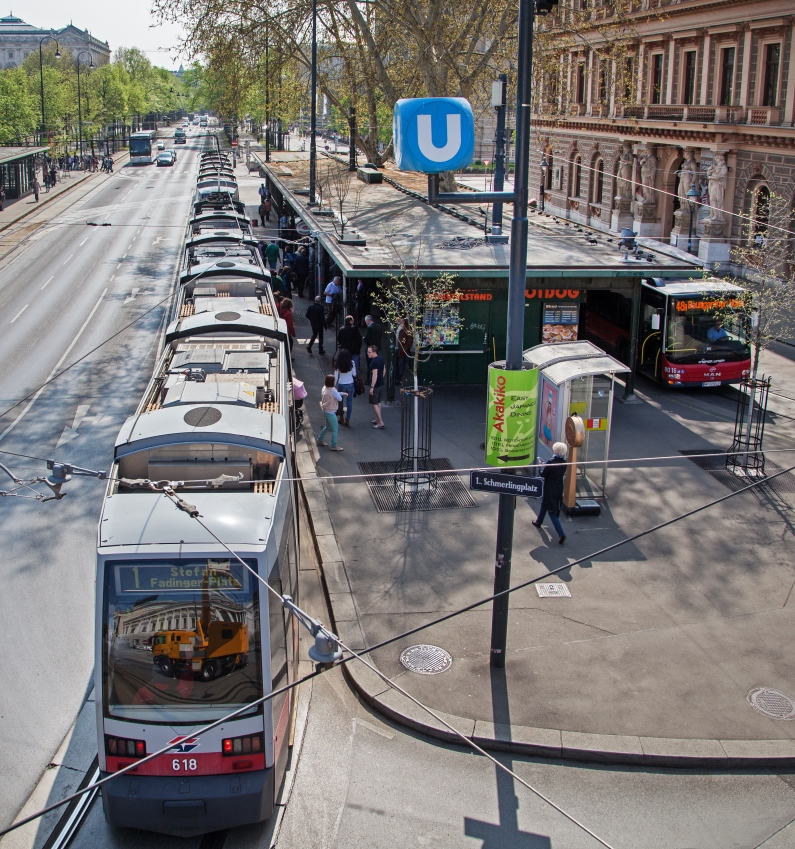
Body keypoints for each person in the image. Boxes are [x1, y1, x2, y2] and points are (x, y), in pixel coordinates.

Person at [532, 443, 568, 544]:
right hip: (559, 487)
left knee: (552, 512)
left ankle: (561, 534)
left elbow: (543, 474)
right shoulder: (564, 462)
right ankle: (539, 521)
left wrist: (541, 465)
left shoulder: (551, 462)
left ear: (556, 451)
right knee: (544, 504)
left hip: (549, 488)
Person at [317, 375, 346, 451]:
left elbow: (335, 394)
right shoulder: (333, 390)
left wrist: (342, 393)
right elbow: (339, 399)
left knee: (327, 427)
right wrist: (342, 394)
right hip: (331, 412)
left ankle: (320, 439)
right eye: (334, 380)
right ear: (332, 382)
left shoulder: (324, 388)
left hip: (325, 410)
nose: (335, 381)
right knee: (335, 429)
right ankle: (334, 445)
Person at [334, 348, 357, 426]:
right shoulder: (352, 363)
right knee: (349, 403)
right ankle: (348, 420)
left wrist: (332, 387)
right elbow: (354, 374)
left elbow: (336, 377)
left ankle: (341, 417)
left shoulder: (338, 364)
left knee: (340, 402)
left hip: (341, 384)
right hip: (350, 384)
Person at [367, 344, 385, 428]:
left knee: (374, 403)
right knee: (378, 402)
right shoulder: (381, 359)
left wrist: (372, 387)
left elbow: (375, 375)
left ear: (374, 352)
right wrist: (382, 378)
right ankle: (378, 419)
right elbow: (384, 370)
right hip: (381, 383)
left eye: (369, 352)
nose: (368, 353)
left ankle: (380, 421)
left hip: (376, 385)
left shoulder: (373, 362)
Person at [396, 318, 414, 384]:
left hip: (402, 350)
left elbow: (410, 341)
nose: (397, 321)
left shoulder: (407, 328)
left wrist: (404, 349)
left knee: (401, 365)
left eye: (399, 320)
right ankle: (397, 378)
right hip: (398, 349)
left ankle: (398, 379)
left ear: (402, 320)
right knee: (398, 364)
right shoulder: (399, 327)